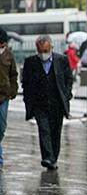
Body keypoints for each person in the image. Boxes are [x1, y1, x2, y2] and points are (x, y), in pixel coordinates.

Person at [21, 35, 73, 170]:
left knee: (55, 132)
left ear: (51, 48)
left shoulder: (61, 60)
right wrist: (28, 99)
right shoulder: (30, 62)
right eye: (40, 51)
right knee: (44, 130)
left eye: (46, 50)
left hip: (57, 103)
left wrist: (66, 96)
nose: (43, 54)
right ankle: (47, 157)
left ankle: (53, 158)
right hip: (40, 104)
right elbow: (25, 83)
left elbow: (68, 79)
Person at [0, 28, 18, 168]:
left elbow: (13, 75)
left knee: (1, 126)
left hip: (4, 97)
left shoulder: (8, 55)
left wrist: (13, 90)